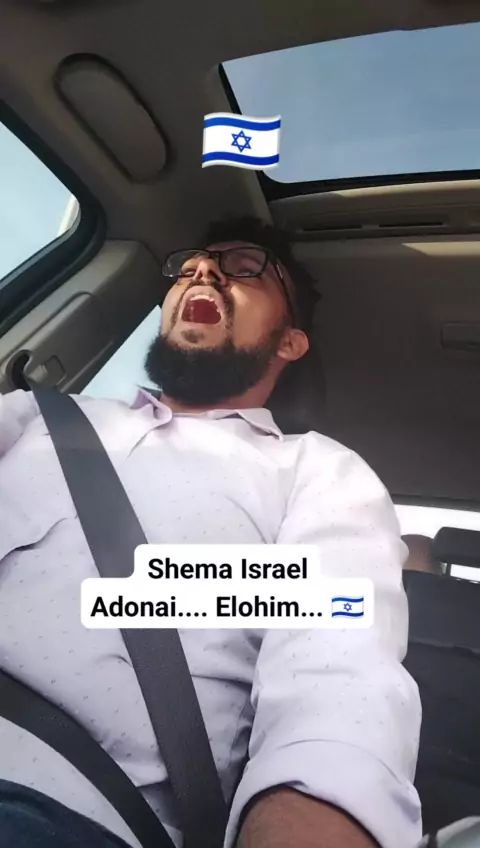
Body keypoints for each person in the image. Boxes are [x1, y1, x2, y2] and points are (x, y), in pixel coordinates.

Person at [0, 217, 422, 848]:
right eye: (191, 265)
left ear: (290, 342)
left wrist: (311, 820)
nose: (202, 271)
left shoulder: (315, 468)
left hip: (65, 810)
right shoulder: (36, 414)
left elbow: (336, 656)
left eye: (245, 267)